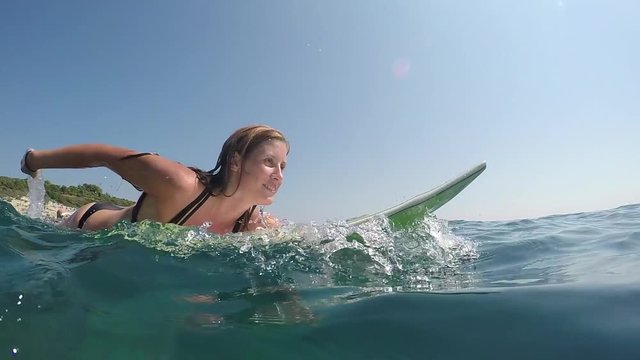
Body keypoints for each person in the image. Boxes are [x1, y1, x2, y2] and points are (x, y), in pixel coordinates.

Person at [20, 125, 289, 234]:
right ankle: (61, 215)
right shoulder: (181, 185)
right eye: (269, 162)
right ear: (235, 162)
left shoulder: (255, 223)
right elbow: (102, 155)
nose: (279, 175)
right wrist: (34, 160)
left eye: (283, 166)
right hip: (86, 225)